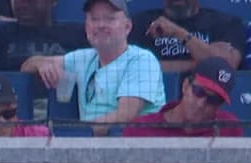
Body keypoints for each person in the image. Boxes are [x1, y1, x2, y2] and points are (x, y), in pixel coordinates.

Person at [21, 0, 165, 134]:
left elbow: (123, 117)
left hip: (135, 149)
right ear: (86, 26)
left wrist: (75, 135)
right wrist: (41, 64)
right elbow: (27, 66)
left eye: (110, 19)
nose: (101, 25)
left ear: (127, 27)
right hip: (92, 148)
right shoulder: (83, 58)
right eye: (94, 19)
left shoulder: (142, 60)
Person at [123, 56, 242, 137]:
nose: (201, 104)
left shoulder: (229, 127)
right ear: (185, 86)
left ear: (220, 105)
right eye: (199, 92)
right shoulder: (140, 128)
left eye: (213, 99)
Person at [0, 0, 89, 72]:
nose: (23, 5)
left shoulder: (79, 34)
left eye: (31, 0)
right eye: (19, 0)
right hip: (11, 107)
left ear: (53, 1)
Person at [129, 0, 244, 73]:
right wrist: (202, 64)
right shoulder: (141, 23)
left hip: (208, 95)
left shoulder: (224, 22)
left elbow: (226, 66)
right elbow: (132, 67)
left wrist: (179, 33)